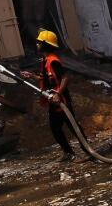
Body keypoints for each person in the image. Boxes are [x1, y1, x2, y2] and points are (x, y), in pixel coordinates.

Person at [22, 30, 80, 161]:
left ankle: (87, 150)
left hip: (61, 101)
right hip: (53, 102)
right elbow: (47, 79)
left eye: (39, 42)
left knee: (73, 127)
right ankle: (68, 153)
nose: (37, 44)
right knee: (55, 128)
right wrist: (32, 76)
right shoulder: (46, 60)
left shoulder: (53, 61)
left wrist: (58, 94)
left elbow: (65, 77)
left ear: (45, 44)